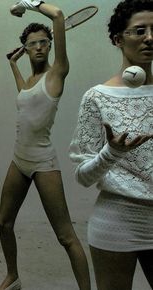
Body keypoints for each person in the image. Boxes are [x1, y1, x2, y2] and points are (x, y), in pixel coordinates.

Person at [0, 1, 91, 290]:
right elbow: (26, 99)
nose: (38, 47)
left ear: (50, 46)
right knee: (3, 223)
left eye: (43, 42)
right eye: (32, 43)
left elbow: (59, 15)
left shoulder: (56, 74)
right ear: (25, 48)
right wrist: (13, 65)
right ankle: (13, 277)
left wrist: (28, 4)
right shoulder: (31, 81)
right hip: (19, 159)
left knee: (66, 236)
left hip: (42, 163)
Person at [69, 0, 153, 289]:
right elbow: (83, 176)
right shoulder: (96, 97)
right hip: (117, 222)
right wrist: (112, 152)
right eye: (139, 31)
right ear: (118, 39)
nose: (150, 38)